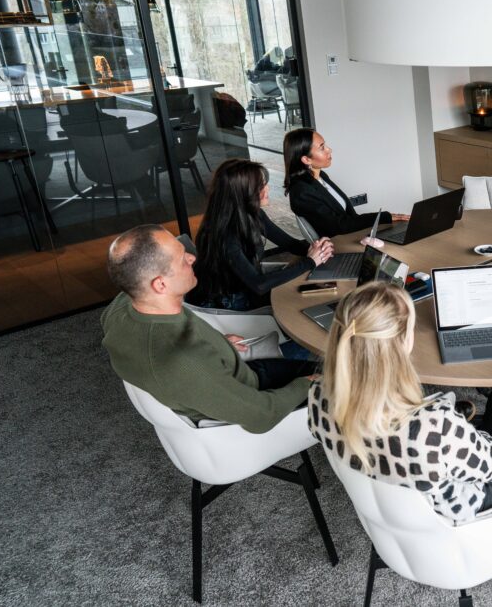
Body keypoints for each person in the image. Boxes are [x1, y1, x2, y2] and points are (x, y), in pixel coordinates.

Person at [308, 282, 492, 593]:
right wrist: (454, 420)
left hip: (387, 529)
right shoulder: (430, 426)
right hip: (459, 518)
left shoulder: (319, 396)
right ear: (403, 343)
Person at [101, 225, 318, 434]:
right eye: (182, 259)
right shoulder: (185, 362)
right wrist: (307, 385)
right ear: (160, 285)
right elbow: (262, 416)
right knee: (337, 371)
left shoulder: (120, 306)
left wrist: (218, 343)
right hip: (251, 393)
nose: (192, 258)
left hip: (220, 373)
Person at [188, 159, 334, 312]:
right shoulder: (225, 236)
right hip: (227, 305)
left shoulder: (253, 213)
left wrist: (318, 249)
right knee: (300, 303)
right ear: (242, 194)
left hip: (248, 287)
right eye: (261, 186)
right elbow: (259, 285)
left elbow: (289, 244)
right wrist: (310, 261)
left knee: (311, 293)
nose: (267, 189)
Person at [284, 128, 410, 238]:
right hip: (340, 243)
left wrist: (381, 220)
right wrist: (382, 217)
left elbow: (349, 218)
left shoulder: (320, 176)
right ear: (306, 159)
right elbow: (340, 226)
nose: (329, 150)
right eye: (322, 148)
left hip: (353, 234)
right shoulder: (302, 191)